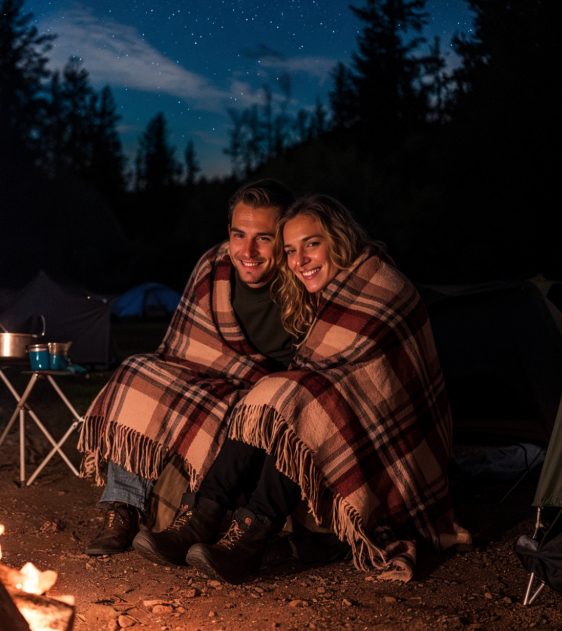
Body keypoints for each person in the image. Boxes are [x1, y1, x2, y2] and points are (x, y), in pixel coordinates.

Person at [179, 195, 468, 583]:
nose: (299, 261)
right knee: (274, 398)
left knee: (297, 400)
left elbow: (377, 389)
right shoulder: (320, 297)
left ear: (339, 238)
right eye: (290, 251)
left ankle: (250, 536)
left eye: (311, 244)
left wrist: (299, 393)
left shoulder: (380, 284)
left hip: (394, 446)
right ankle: (204, 514)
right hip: (348, 429)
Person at [80, 178, 296, 555]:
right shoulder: (214, 267)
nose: (247, 250)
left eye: (264, 237)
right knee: (138, 370)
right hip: (206, 373)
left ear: (285, 238)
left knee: (253, 406)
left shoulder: (302, 282)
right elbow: (184, 348)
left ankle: (195, 517)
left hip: (262, 390)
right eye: (238, 234)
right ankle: (123, 507)